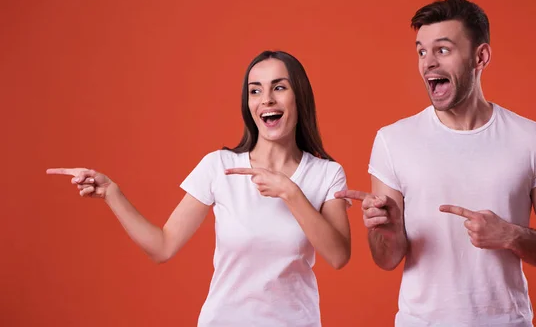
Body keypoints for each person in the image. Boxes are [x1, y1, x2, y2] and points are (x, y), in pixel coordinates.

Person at [47, 50, 351, 327]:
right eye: (255, 90)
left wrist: (291, 192)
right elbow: (162, 247)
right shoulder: (218, 166)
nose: (266, 99)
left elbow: (338, 256)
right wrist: (112, 193)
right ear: (248, 104)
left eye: (279, 87)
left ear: (300, 96)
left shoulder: (326, 173)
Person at [336, 0, 536, 326]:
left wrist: (511, 235)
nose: (428, 63)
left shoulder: (533, 139)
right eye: (421, 51)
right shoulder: (393, 141)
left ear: (480, 57)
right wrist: (387, 231)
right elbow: (387, 259)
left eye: (443, 50)